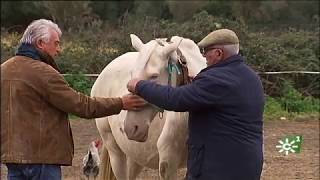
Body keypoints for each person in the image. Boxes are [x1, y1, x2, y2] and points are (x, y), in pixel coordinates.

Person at [1, 19, 146, 180]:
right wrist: (121, 103)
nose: (59, 49)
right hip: (41, 159)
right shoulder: (44, 73)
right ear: (40, 43)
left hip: (12, 157)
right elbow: (80, 105)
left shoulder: (4, 69)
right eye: (56, 43)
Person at [127, 29, 265, 180]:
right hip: (247, 166)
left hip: (216, 170)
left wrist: (139, 85)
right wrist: (198, 86)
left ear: (219, 53)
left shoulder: (215, 80)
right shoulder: (251, 77)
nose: (204, 55)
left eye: (207, 51)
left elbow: (175, 99)